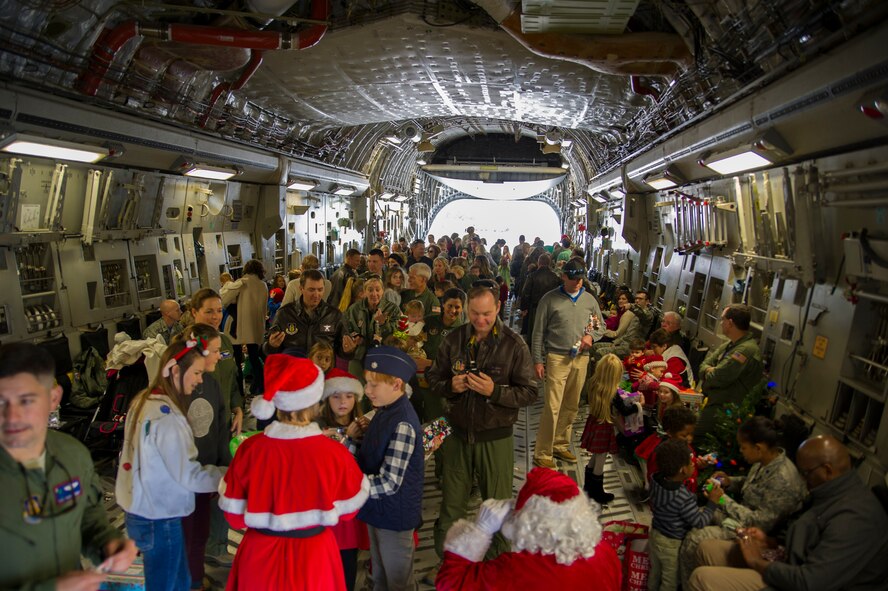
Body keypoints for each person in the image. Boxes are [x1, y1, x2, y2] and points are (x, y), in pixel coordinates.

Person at [220, 355, 370, 591]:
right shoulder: (333, 452)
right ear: (315, 402)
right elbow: (349, 511)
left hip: (259, 554)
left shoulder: (250, 449)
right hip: (315, 556)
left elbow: (234, 516)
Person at [1, 343, 138, 591]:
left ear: (53, 398)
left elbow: (88, 519)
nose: (12, 416)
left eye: (27, 400)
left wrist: (108, 545)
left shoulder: (72, 455)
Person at [426, 285, 537, 578]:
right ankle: (449, 565)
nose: (481, 320)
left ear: (498, 308)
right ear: (466, 310)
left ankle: (497, 567)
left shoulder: (514, 345)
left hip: (495, 438)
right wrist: (451, 385)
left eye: (487, 314)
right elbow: (433, 378)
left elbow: (528, 392)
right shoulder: (453, 341)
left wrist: (495, 391)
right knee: (452, 505)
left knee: (497, 507)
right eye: (474, 313)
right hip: (458, 436)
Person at [688, 435, 888, 591]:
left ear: (828, 470)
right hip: (788, 563)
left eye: (806, 473)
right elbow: (808, 539)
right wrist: (770, 543)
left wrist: (757, 562)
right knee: (707, 548)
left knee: (701, 578)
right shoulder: (830, 493)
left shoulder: (856, 517)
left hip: (799, 582)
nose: (802, 479)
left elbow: (810, 582)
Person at [117, 339, 227, 591]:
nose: (200, 380)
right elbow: (189, 476)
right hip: (160, 517)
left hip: (140, 511)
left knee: (176, 581)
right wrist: (229, 477)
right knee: (169, 584)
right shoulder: (167, 419)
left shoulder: (143, 401)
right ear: (176, 370)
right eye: (197, 372)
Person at [437, 468, 621, 590]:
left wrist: (480, 530)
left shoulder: (516, 571)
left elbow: (451, 583)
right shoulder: (606, 554)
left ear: (530, 521)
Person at [678, 416, 807, 587]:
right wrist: (730, 481)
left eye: (744, 447)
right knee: (695, 516)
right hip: (737, 518)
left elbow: (761, 523)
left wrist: (722, 499)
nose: (741, 451)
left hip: (753, 533)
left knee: (695, 539)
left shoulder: (783, 480)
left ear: (758, 448)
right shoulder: (764, 462)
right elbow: (753, 484)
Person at [346, 347, 423, 591]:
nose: (367, 391)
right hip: (377, 511)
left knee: (398, 581)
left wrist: (349, 486)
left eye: (373, 385)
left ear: (396, 384)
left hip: (394, 518)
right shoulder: (383, 411)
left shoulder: (403, 423)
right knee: (379, 575)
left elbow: (389, 483)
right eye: (366, 383)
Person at [531, 258, 605, 469]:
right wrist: (537, 359)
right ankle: (543, 452)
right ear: (563, 276)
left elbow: (600, 326)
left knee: (571, 405)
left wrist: (591, 337)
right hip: (556, 357)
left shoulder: (589, 300)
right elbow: (538, 333)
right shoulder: (549, 300)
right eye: (573, 279)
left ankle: (560, 443)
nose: (577, 283)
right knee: (552, 406)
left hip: (580, 358)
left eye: (580, 279)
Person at [177, 324, 233, 590]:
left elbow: (221, 421)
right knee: (187, 532)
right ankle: (190, 580)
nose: (220, 356)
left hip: (209, 465)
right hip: (187, 473)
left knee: (199, 530)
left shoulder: (210, 381)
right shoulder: (181, 387)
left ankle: (197, 577)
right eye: (216, 351)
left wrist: (224, 462)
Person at [649, 439, 724, 591]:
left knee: (655, 572)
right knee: (669, 581)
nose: (694, 464)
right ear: (683, 470)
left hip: (655, 534)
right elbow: (699, 521)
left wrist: (697, 497)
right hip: (671, 543)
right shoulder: (682, 497)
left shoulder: (656, 479)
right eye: (691, 463)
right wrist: (712, 503)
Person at [578, 354, 640, 503]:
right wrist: (638, 405)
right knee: (601, 458)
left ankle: (588, 487)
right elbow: (626, 411)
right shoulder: (613, 393)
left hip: (594, 421)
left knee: (595, 455)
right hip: (605, 427)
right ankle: (597, 492)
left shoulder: (593, 384)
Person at [697, 304, 763, 437]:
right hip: (714, 402)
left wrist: (710, 371)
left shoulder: (745, 350)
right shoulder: (730, 344)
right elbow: (704, 365)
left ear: (730, 322)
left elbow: (718, 376)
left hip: (725, 410)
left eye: (722, 319)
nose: (721, 323)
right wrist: (708, 370)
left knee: (698, 436)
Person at [265, 269, 359, 360]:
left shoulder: (334, 315)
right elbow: (267, 350)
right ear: (301, 289)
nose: (316, 294)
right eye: (311, 290)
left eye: (320, 289)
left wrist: (349, 351)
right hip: (294, 372)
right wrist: (271, 345)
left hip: (322, 373)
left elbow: (343, 351)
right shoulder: (285, 314)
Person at [343, 275, 400, 379]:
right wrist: (355, 337)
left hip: (384, 355)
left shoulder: (392, 309)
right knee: (356, 387)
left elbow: (397, 334)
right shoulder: (354, 309)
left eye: (378, 290)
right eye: (370, 290)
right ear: (364, 292)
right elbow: (346, 327)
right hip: (359, 354)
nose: (374, 294)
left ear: (383, 291)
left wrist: (383, 324)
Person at [227, 259, 269, 395]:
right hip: (257, 327)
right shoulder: (263, 285)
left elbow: (224, 299)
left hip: (239, 328)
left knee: (237, 362)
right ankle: (260, 386)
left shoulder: (241, 283)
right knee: (254, 358)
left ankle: (240, 392)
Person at [593, 289, 655, 361]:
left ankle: (603, 371)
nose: (637, 301)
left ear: (647, 301)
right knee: (594, 347)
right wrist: (616, 343)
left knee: (600, 352)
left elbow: (642, 313)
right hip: (622, 343)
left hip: (632, 348)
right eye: (636, 298)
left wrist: (631, 306)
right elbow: (627, 334)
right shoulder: (635, 314)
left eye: (640, 299)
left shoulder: (648, 315)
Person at [520, 253, 560, 339]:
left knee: (534, 332)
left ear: (539, 262)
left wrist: (524, 308)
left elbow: (525, 293)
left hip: (535, 308)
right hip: (551, 308)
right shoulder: (555, 277)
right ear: (549, 263)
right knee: (547, 332)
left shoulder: (532, 276)